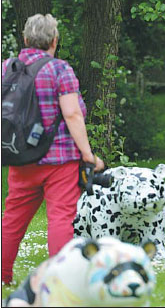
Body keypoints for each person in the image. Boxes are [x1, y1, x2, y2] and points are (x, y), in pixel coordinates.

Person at [1, 14, 105, 285]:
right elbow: (72, 114)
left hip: (20, 156)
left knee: (12, 220)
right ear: (54, 41)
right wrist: (88, 155)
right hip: (59, 160)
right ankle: (60, 280)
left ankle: (2, 276)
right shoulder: (59, 69)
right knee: (60, 217)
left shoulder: (5, 68)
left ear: (25, 39)